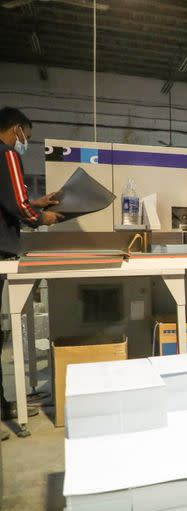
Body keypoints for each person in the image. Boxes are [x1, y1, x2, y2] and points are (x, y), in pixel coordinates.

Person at [0, 107, 63, 427]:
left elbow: (10, 198)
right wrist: (42, 218)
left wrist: (37, 203)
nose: (26, 142)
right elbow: (15, 205)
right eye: (26, 135)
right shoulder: (8, 154)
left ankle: (3, 404)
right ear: (16, 130)